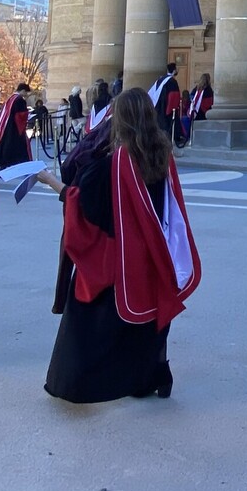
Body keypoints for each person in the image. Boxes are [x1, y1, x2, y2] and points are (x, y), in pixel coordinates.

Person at [44, 88, 200, 402]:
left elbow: (85, 207)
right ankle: (154, 375)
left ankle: (84, 384)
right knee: (149, 319)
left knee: (92, 320)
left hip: (120, 257)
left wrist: (51, 182)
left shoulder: (110, 165)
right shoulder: (162, 155)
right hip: (155, 251)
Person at [0, 82, 33, 168]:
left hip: (7, 126)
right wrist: (27, 115)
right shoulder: (19, 100)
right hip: (15, 128)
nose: (26, 94)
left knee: (6, 146)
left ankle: (4, 164)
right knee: (17, 148)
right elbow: (20, 115)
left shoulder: (10, 98)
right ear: (23, 90)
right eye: (26, 92)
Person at [148, 62, 181, 145]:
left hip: (159, 107)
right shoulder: (172, 81)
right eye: (176, 68)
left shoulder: (160, 80)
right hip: (168, 109)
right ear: (174, 70)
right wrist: (172, 109)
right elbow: (174, 96)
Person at [180, 73, 213, 147]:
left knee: (184, 119)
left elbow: (191, 98)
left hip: (196, 112)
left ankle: (187, 137)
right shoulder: (209, 90)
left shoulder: (197, 88)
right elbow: (209, 103)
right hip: (202, 113)